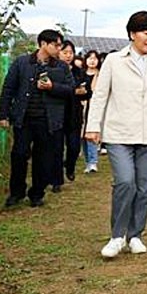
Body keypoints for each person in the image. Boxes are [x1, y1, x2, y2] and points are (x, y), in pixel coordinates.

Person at [84, 11, 147, 258]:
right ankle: (117, 236)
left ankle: (135, 234)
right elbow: (101, 95)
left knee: (145, 187)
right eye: (146, 33)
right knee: (126, 181)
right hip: (119, 133)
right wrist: (93, 126)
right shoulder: (114, 61)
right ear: (132, 34)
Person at [0, 29, 74, 208]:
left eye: (59, 45)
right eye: (55, 45)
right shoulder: (22, 63)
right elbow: (8, 89)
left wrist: (52, 87)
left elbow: (70, 89)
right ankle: (16, 192)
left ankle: (37, 193)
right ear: (42, 44)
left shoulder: (61, 67)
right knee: (19, 154)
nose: (58, 49)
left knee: (43, 158)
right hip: (23, 118)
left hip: (48, 120)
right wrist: (3, 114)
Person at [55, 40, 89, 189]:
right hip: (57, 114)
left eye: (71, 52)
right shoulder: (54, 70)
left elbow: (87, 93)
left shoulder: (79, 71)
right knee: (56, 148)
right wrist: (72, 91)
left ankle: (69, 166)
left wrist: (84, 92)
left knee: (74, 147)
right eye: (65, 52)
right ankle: (56, 181)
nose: (68, 56)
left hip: (74, 114)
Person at [81, 50, 102, 173]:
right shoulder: (81, 74)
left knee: (91, 132)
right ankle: (88, 161)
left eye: (95, 58)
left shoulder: (101, 75)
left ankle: (93, 162)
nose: (92, 60)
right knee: (83, 135)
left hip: (94, 106)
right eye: (89, 58)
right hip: (82, 107)